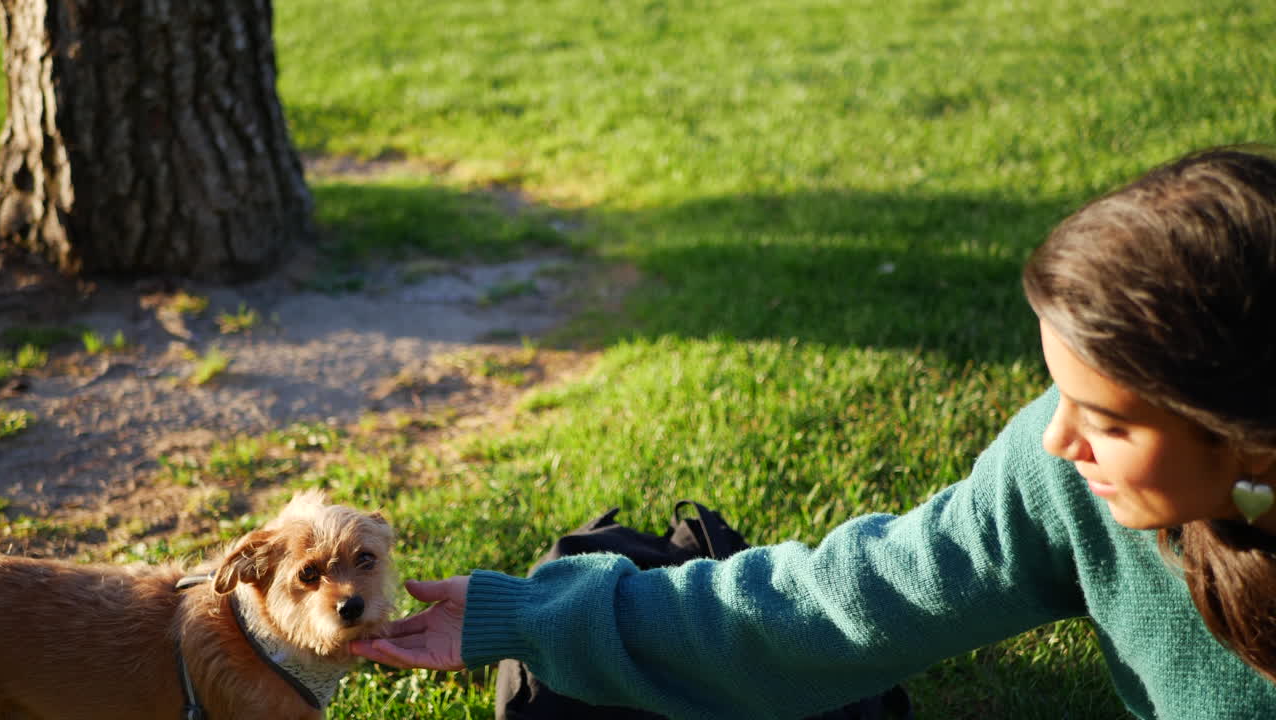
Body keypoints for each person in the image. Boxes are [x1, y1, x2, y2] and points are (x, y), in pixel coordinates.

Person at [352, 146, 1276, 719]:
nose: (1055, 442)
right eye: (1058, 394)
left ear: (1246, 433)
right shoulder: (1066, 484)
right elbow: (845, 600)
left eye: (1107, 422)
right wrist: (534, 616)